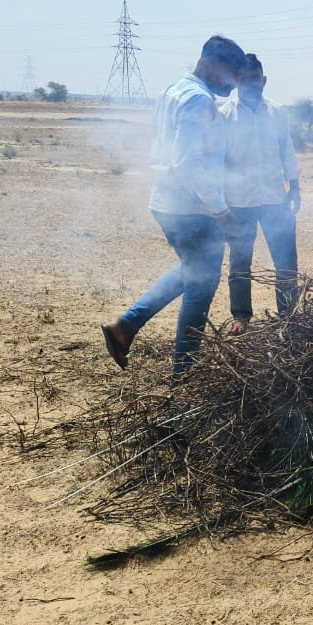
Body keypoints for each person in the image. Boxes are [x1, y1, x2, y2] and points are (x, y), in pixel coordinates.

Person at [101, 35, 246, 375]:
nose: (233, 85)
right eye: (230, 75)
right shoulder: (198, 100)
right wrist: (221, 211)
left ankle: (126, 326)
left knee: (191, 271)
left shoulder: (175, 90)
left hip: (168, 202)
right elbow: (189, 163)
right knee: (200, 288)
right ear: (207, 64)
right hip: (192, 209)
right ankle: (184, 373)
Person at [220, 53, 301, 335]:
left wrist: (295, 185)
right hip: (239, 200)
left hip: (275, 199)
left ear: (263, 80)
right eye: (243, 79)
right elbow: (218, 159)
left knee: (286, 261)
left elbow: (286, 150)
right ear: (236, 81)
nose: (250, 84)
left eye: (255, 78)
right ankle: (241, 316)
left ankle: (287, 316)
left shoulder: (278, 112)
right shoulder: (225, 115)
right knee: (240, 261)